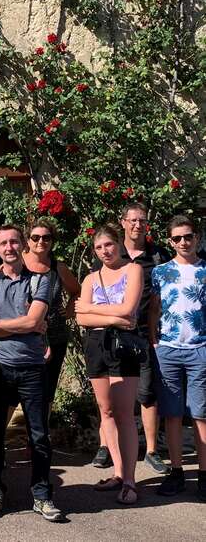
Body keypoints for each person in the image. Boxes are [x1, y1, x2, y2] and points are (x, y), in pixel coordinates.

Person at [0, 224, 61, 522]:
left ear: (22, 245)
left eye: (14, 241)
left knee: (38, 435)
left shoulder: (42, 280)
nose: (10, 247)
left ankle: (41, 495)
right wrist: (24, 323)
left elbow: (34, 320)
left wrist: (7, 324)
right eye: (4, 243)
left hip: (33, 368)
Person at [91, 202, 171, 474]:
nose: (138, 225)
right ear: (123, 222)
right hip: (111, 337)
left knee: (147, 394)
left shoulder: (157, 255)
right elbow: (92, 295)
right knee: (108, 399)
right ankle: (105, 446)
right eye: (133, 220)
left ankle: (150, 450)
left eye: (143, 220)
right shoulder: (110, 250)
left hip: (142, 334)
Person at [76, 225, 143, 505]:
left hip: (123, 347)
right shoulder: (91, 278)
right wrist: (113, 316)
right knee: (106, 411)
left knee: (125, 413)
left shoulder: (133, 270)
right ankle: (116, 472)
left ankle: (129, 480)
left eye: (109, 245)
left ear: (119, 244)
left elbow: (129, 310)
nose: (105, 251)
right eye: (99, 247)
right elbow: (81, 317)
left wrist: (93, 309)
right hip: (96, 345)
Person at [149, 215, 206, 501]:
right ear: (169, 241)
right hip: (168, 350)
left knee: (201, 414)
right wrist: (154, 341)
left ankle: (204, 476)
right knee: (171, 415)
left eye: (188, 236)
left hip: (200, 349)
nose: (183, 242)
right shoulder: (160, 272)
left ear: (197, 237)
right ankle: (176, 471)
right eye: (177, 238)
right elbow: (154, 310)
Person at [23, 219, 80, 410]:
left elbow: (76, 291)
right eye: (36, 237)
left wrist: (69, 311)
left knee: (46, 391)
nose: (41, 241)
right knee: (21, 390)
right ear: (28, 241)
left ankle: (41, 436)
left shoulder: (58, 268)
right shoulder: (16, 264)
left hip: (54, 337)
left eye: (46, 238)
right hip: (23, 337)